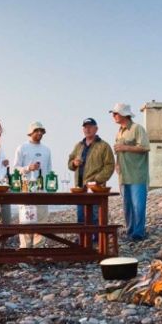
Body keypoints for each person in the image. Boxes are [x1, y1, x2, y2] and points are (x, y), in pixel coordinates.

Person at [109, 103, 150, 241]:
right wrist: (117, 164)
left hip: (137, 174)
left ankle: (138, 234)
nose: (113, 116)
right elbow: (119, 151)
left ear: (124, 114)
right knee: (127, 206)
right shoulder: (119, 132)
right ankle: (130, 231)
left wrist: (124, 147)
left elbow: (145, 147)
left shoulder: (137, 128)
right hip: (124, 175)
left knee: (138, 205)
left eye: (115, 113)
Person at [12, 121, 53, 248]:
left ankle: (38, 250)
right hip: (26, 189)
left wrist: (49, 189)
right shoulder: (22, 148)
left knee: (41, 222)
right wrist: (28, 168)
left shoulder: (47, 150)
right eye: (36, 130)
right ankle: (25, 249)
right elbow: (15, 168)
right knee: (25, 221)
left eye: (41, 131)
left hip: (42, 190)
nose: (39, 133)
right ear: (30, 132)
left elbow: (49, 170)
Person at [68, 117, 115, 224]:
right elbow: (70, 164)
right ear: (83, 129)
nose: (87, 129)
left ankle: (96, 235)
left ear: (96, 129)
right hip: (80, 189)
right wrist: (74, 163)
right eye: (85, 127)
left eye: (90, 127)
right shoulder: (78, 146)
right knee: (81, 218)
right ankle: (83, 236)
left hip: (96, 189)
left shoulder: (104, 146)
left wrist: (96, 180)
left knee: (95, 218)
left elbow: (110, 166)